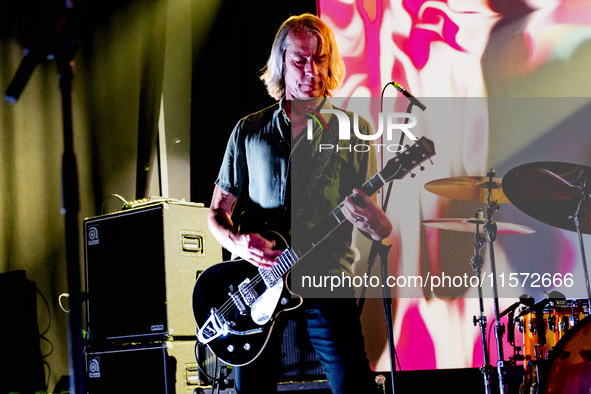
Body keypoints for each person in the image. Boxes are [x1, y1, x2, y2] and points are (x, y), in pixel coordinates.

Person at [207, 13, 392, 394]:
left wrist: (374, 221)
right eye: (300, 60)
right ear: (281, 64)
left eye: (321, 59)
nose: (313, 70)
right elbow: (216, 213)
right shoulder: (249, 131)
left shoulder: (353, 132)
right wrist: (239, 243)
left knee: (353, 386)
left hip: (326, 279)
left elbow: (375, 225)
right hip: (258, 282)